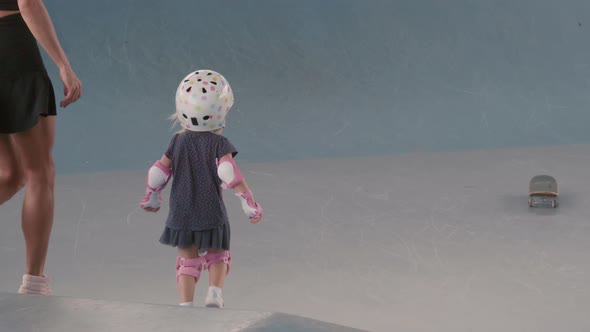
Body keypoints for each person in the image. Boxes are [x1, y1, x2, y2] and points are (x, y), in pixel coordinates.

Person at [140, 70, 263, 308]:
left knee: (187, 262)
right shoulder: (219, 144)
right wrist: (249, 202)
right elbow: (230, 173)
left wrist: (152, 195)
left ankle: (185, 306)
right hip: (211, 213)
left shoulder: (177, 141)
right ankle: (214, 292)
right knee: (218, 255)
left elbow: (158, 172)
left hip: (181, 214)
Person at [0, 0, 82, 295]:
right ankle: (34, 282)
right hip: (10, 46)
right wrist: (63, 65)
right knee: (40, 172)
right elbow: (28, 3)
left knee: (10, 174)